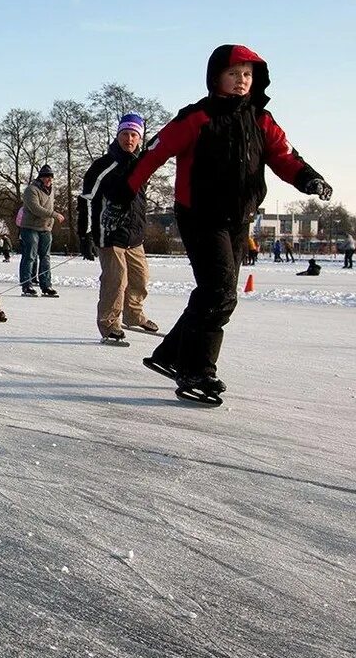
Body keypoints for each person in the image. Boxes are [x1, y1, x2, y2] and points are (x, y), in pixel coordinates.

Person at [112, 44, 332, 400]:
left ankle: (170, 355)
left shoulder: (261, 119)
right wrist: (124, 193)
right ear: (217, 77)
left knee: (215, 292)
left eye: (247, 75)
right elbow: (154, 153)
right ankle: (196, 371)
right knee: (220, 292)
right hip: (200, 215)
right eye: (234, 74)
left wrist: (310, 179)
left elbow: (285, 156)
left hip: (239, 219)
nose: (241, 81)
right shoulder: (197, 117)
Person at [78, 113, 159, 343]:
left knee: (140, 278)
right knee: (116, 279)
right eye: (125, 134)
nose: (129, 139)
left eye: (134, 135)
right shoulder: (103, 166)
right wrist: (85, 235)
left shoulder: (142, 164)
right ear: (118, 135)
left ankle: (133, 315)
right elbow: (85, 200)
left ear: (139, 139)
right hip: (109, 233)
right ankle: (109, 324)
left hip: (134, 234)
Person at [19, 164, 64, 297]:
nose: (48, 180)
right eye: (46, 177)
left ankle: (46, 285)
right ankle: (27, 285)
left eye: (50, 177)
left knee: (46, 258)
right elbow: (35, 208)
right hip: (30, 227)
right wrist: (54, 215)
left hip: (45, 228)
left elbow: (49, 206)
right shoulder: (31, 190)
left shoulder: (51, 190)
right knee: (30, 256)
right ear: (40, 178)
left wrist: (51, 221)